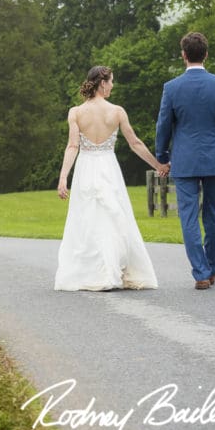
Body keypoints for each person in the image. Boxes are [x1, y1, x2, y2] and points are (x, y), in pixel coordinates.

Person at [55, 66, 166, 291]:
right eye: (111, 81)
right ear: (102, 83)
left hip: (86, 167)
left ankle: (93, 272)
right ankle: (112, 270)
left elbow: (73, 146)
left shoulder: (75, 112)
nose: (113, 85)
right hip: (107, 167)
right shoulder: (117, 111)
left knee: (88, 219)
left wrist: (63, 177)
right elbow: (135, 143)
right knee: (113, 217)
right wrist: (158, 166)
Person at [155, 31, 215, 291]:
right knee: (213, 214)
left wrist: (162, 157)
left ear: (184, 55)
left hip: (184, 162)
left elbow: (163, 126)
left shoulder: (171, 88)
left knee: (189, 216)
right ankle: (214, 268)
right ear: (206, 54)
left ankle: (201, 272)